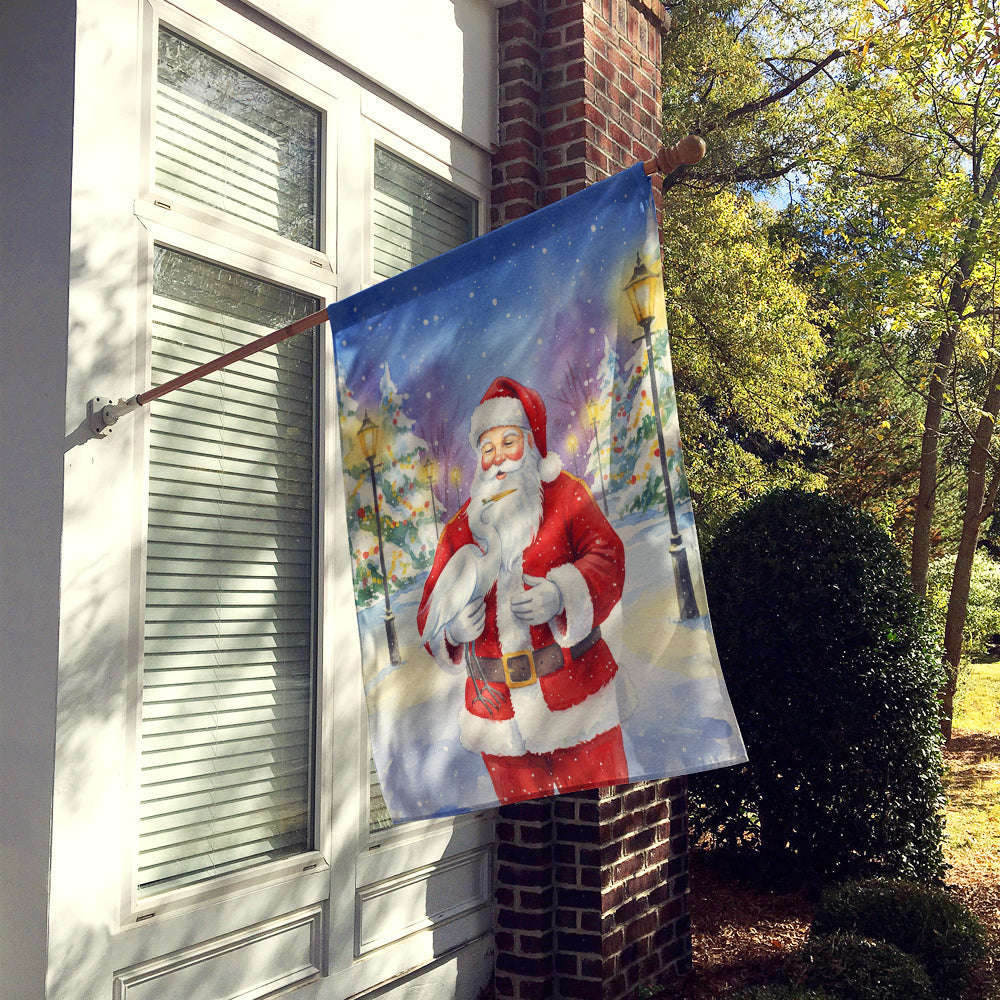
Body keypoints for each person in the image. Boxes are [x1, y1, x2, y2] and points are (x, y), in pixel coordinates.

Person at [417, 376, 629, 804]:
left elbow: (608, 557)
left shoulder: (566, 496)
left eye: (508, 442)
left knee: (598, 821)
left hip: (577, 697)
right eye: (487, 448)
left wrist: (561, 594)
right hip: (498, 716)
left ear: (530, 444)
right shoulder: (463, 526)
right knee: (522, 840)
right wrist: (454, 631)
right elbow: (429, 611)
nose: (497, 459)